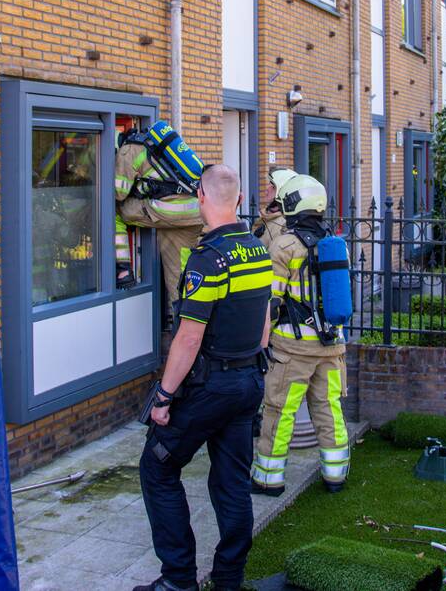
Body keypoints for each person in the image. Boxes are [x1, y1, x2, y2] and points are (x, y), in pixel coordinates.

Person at [135, 164, 271, 591]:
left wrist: (163, 396)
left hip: (210, 387)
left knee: (157, 467)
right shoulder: (258, 249)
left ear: (201, 198)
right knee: (232, 483)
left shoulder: (207, 259)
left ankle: (178, 580)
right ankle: (229, 579)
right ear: (239, 199)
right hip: (249, 382)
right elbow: (265, 327)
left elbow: (188, 339)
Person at [251, 174, 350, 497]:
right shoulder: (336, 243)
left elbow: (271, 302)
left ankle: (268, 477)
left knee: (279, 411)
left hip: (293, 350)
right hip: (332, 345)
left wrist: (260, 343)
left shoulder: (285, 245)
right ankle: (336, 475)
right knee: (329, 408)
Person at [115, 134, 203, 310]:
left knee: (114, 213)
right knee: (181, 270)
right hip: (195, 211)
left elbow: (118, 193)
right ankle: (189, 315)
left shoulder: (127, 150)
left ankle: (123, 270)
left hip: (169, 211)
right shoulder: (158, 145)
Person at [252, 168, 297, 245]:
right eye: (269, 184)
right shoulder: (268, 216)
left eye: (273, 187)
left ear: (283, 191)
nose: (267, 189)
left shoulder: (284, 224)